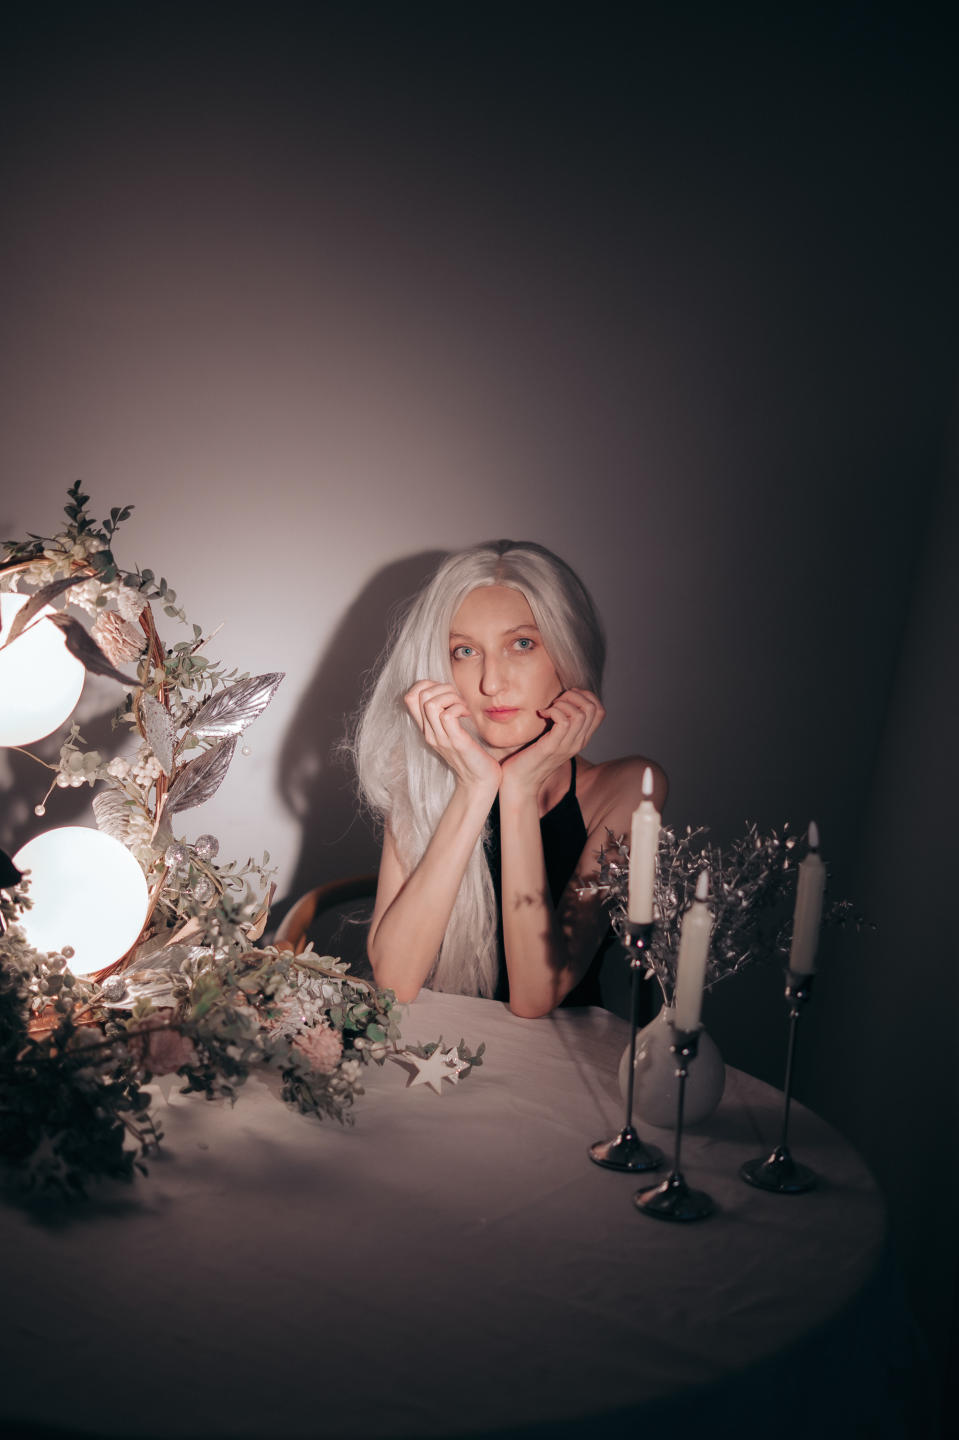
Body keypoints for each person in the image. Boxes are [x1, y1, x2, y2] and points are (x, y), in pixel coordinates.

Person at [352, 540, 667, 1017]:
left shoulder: (628, 787)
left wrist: (518, 788)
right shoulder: (417, 775)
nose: (491, 683)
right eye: (464, 651)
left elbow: (536, 997)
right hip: (442, 1049)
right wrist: (475, 787)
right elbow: (395, 981)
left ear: (569, 652)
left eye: (522, 644)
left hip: (558, 1059)